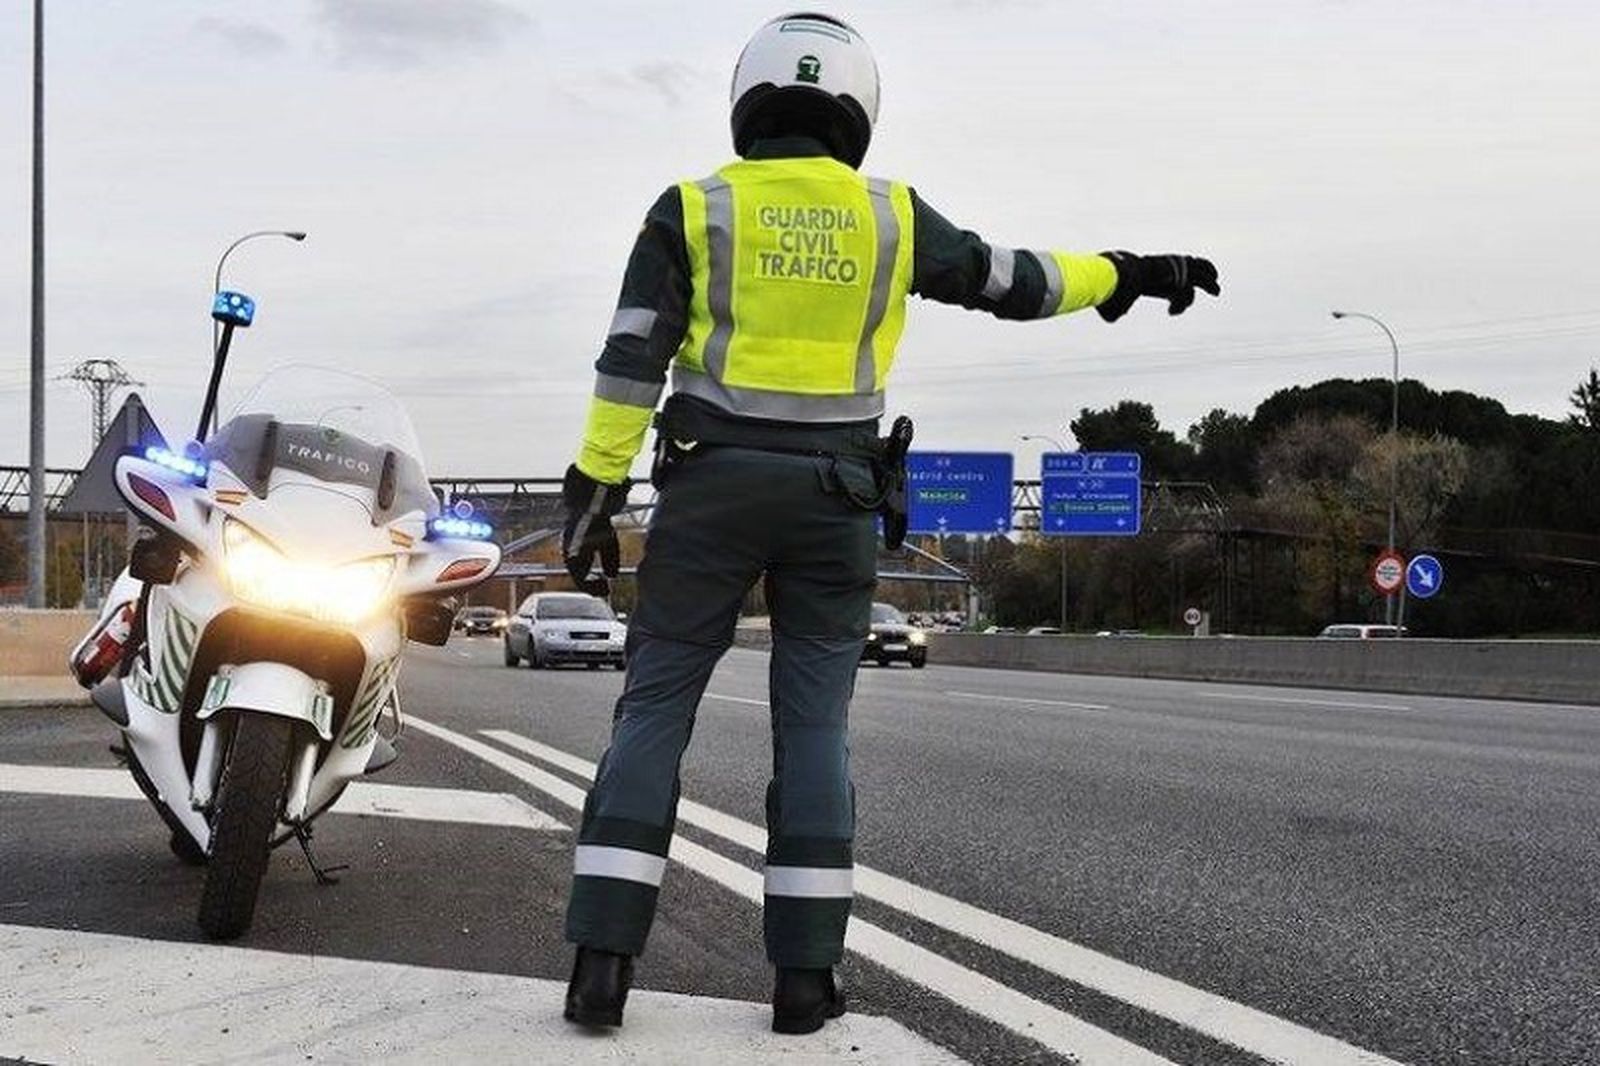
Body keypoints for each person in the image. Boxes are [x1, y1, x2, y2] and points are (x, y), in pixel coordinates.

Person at [558, 11, 1219, 1035]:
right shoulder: (891, 215)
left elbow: (631, 357)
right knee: (812, 729)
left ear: (748, 101)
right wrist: (1129, 272)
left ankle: (602, 964)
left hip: (709, 491)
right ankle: (804, 981)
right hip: (836, 503)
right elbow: (1014, 279)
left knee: (652, 712)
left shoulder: (692, 208)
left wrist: (593, 494)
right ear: (856, 109)